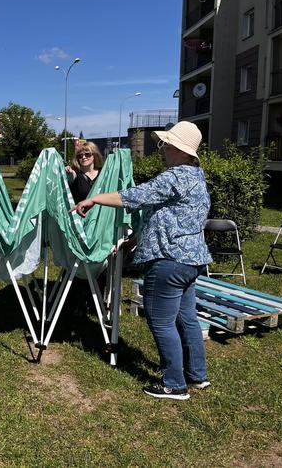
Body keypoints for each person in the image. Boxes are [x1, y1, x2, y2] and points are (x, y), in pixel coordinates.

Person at [70, 121, 212, 400]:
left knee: (161, 321)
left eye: (167, 145)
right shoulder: (197, 177)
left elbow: (136, 197)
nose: (163, 150)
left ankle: (174, 383)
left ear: (182, 151)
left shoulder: (174, 176)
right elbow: (167, 216)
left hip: (168, 262)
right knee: (187, 319)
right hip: (190, 261)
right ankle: (197, 375)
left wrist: (95, 199)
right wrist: (134, 240)